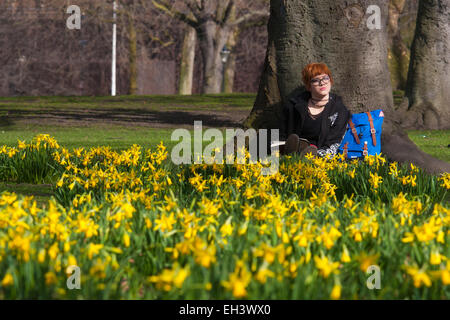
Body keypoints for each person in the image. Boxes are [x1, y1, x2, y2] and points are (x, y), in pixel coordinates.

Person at [280, 63, 351, 158]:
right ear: (309, 86)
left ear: (330, 80)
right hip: (294, 151)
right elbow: (283, 133)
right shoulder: (294, 105)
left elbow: (335, 141)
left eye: (325, 78)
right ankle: (293, 154)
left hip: (319, 155)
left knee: (311, 152)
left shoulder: (339, 109)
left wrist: (317, 156)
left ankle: (307, 156)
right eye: (316, 80)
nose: (322, 83)